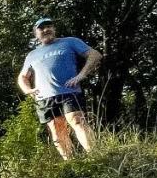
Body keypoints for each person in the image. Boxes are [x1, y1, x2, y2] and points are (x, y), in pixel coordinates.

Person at [17, 18, 102, 159]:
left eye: (49, 26)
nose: (46, 30)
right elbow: (22, 77)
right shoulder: (32, 55)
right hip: (44, 97)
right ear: (36, 34)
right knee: (57, 130)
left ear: (54, 29)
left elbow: (94, 55)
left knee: (76, 120)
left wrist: (81, 75)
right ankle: (70, 163)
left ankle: (96, 157)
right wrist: (28, 90)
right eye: (41, 28)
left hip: (69, 91)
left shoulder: (69, 42)